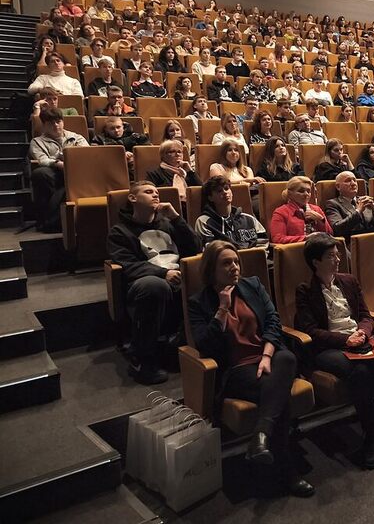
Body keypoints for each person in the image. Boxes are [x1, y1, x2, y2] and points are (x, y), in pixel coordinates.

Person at [188, 241, 314, 497]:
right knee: (278, 394)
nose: (234, 267)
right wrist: (222, 308)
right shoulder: (198, 302)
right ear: (211, 268)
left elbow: (273, 321)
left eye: (236, 261)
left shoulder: (253, 285)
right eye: (226, 263)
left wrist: (267, 356)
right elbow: (205, 345)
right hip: (236, 369)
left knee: (287, 358)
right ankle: (286, 470)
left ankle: (261, 438)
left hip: (266, 359)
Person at [295, 234, 374, 468]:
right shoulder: (305, 290)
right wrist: (346, 339)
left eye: (337, 254)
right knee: (361, 371)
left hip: (359, 339)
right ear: (315, 262)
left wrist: (363, 332)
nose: (337, 259)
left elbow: (364, 315)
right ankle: (371, 434)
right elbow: (310, 330)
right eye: (330, 256)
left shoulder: (349, 281)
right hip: (329, 347)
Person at [108, 181, 201, 384]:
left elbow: (195, 247)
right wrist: (163, 273)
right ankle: (143, 360)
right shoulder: (120, 231)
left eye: (157, 192)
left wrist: (177, 218)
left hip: (178, 276)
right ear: (133, 198)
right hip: (144, 283)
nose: (155, 195)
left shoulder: (167, 223)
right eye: (148, 192)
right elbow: (128, 265)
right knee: (154, 285)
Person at [29, 108, 89, 231]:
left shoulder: (76, 137)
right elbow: (42, 160)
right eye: (51, 123)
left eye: (58, 121)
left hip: (78, 170)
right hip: (55, 171)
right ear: (44, 125)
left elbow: (87, 153)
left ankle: (57, 221)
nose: (55, 125)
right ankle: (53, 221)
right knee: (40, 174)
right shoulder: (37, 141)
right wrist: (57, 162)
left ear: (63, 122)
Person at [195, 177, 268, 249]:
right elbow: (211, 251)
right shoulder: (204, 222)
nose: (225, 192)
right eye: (219, 191)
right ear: (210, 198)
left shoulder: (249, 219)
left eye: (226, 188)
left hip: (254, 258)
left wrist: (253, 254)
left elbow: (263, 240)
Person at [324, 171, 374, 239]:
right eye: (348, 181)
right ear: (338, 187)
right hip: (351, 245)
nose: (353, 183)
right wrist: (358, 211)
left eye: (354, 180)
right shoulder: (333, 204)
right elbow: (337, 229)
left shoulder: (365, 200)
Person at [270, 176, 333, 243]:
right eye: (301, 191)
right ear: (290, 193)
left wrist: (321, 220)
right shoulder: (281, 212)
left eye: (308, 191)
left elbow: (330, 235)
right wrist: (305, 238)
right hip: (296, 250)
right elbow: (278, 239)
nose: (306, 194)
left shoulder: (316, 209)